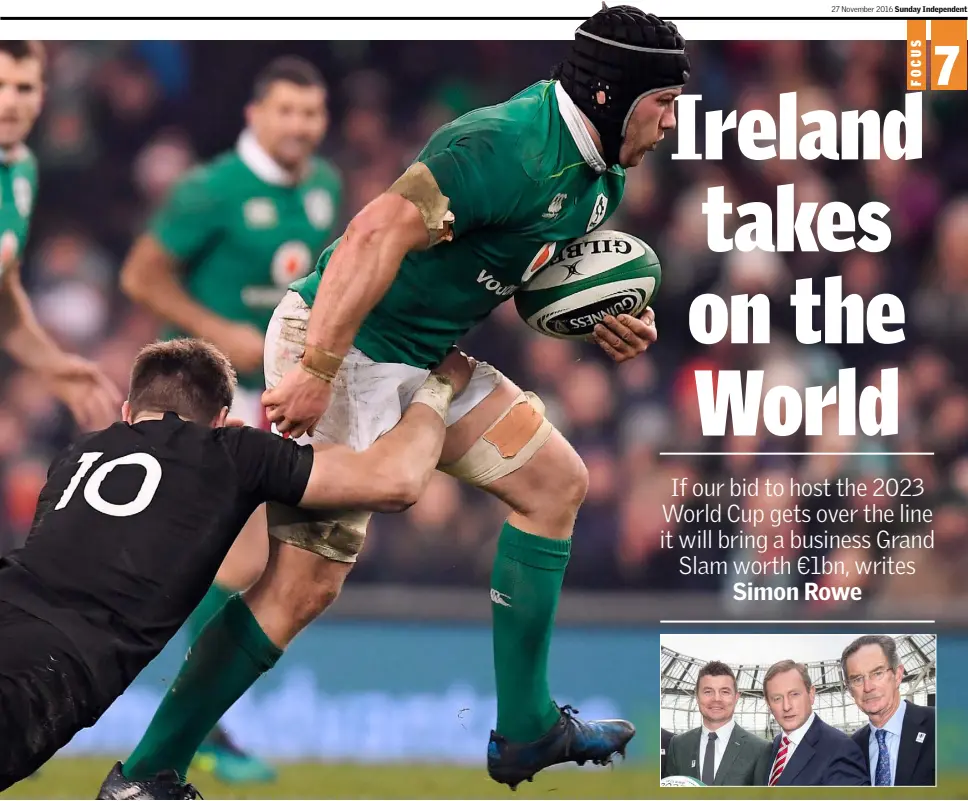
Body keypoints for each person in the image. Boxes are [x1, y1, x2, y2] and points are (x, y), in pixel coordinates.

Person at [113, 6, 687, 794]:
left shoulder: (603, 175)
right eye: (664, 101)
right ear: (613, 93)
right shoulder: (504, 143)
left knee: (555, 481)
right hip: (346, 347)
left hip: (422, 357)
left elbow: (519, 274)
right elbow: (372, 236)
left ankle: (524, 729)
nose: (672, 121)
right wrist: (316, 364)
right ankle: (145, 774)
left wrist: (599, 318)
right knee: (300, 585)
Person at [0, 337, 472, 793]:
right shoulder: (232, 451)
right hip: (50, 667)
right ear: (222, 418)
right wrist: (438, 388)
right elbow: (397, 482)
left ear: (127, 411)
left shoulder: (76, 455)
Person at [119, 55, 341, 783]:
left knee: (256, 565)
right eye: (286, 111)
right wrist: (221, 330)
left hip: (284, 396)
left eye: (311, 113)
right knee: (248, 563)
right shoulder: (210, 189)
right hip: (219, 398)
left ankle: (198, 713)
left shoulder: (323, 188)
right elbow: (141, 276)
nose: (300, 126)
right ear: (256, 115)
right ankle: (197, 719)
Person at [0, 40, 119, 430]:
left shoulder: (22, 170)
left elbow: (5, 296)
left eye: (24, 88)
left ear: (42, 97)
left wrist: (52, 365)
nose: (11, 101)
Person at [843, 635, 936, 787]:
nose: (868, 687)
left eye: (877, 673)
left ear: (898, 675)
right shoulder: (851, 748)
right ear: (850, 690)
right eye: (857, 679)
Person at [763, 660, 869, 787]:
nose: (786, 706)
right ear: (769, 705)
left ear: (811, 694)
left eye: (794, 694)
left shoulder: (841, 749)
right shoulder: (774, 746)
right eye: (777, 698)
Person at [664, 661, 770, 786]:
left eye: (725, 692)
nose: (716, 699)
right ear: (697, 696)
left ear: (736, 697)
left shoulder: (760, 749)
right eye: (708, 692)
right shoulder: (678, 744)